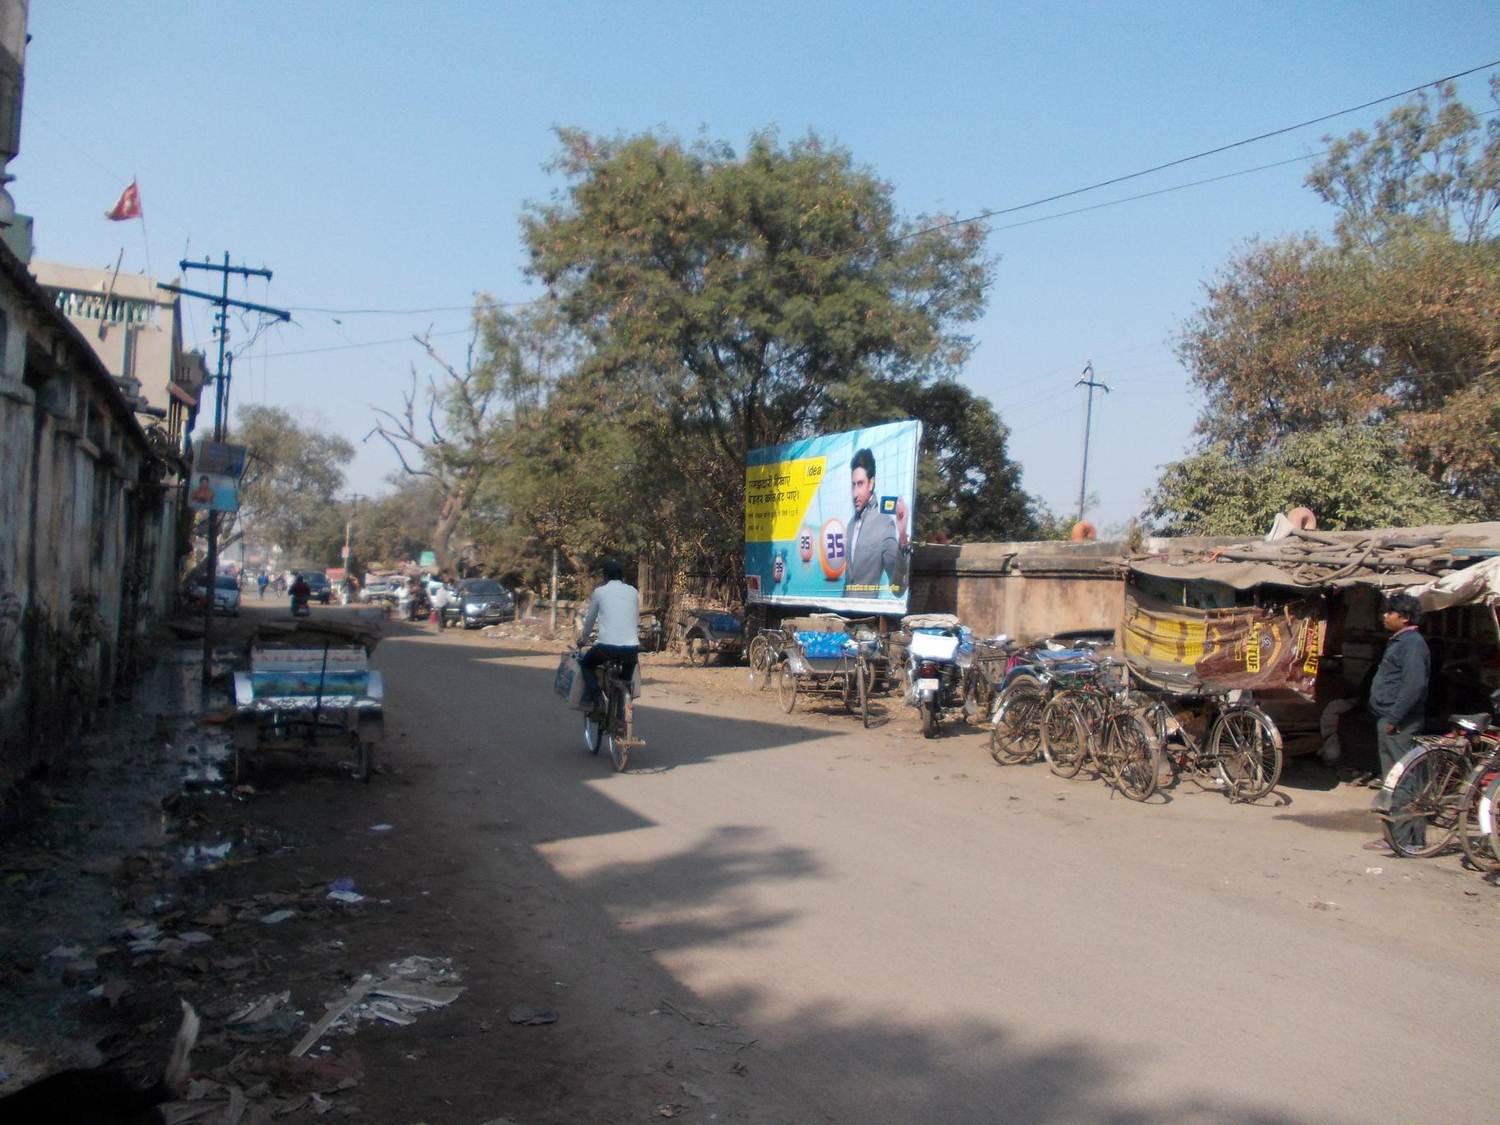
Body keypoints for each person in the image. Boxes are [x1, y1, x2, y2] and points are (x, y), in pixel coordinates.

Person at [1365, 592, 1430, 853]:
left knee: (1400, 779)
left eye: (1389, 612)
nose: (1385, 616)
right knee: (1396, 777)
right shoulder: (1401, 641)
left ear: (1403, 618)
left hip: (1399, 722)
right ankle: (1403, 836)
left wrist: (1394, 717)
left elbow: (1414, 686)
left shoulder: (1412, 644)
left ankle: (1402, 838)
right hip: (1391, 719)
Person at [842, 447, 909, 598]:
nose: (855, 493)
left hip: (866, 617)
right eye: (853, 484)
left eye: (860, 484)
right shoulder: (851, 524)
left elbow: (898, 589)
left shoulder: (884, 524)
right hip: (843, 615)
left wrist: (903, 537)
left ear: (871, 484)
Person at [576, 559, 640, 706]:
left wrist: (583, 640)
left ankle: (597, 698)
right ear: (622, 577)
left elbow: (590, 620)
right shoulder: (633, 592)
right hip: (631, 648)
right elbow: (635, 619)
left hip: (606, 648)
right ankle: (625, 701)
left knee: (586, 665)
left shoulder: (599, 592)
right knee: (626, 678)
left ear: (605, 577)